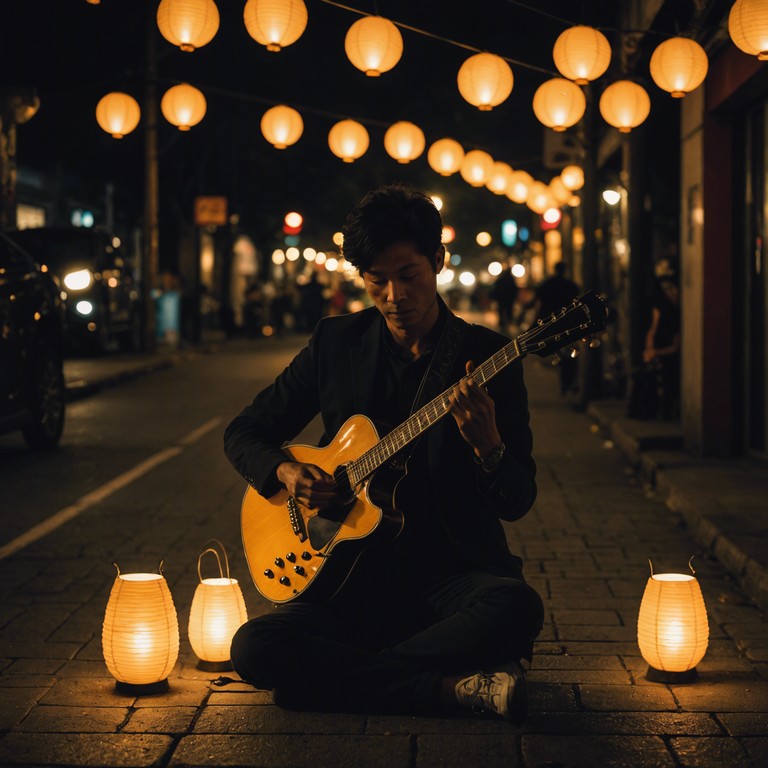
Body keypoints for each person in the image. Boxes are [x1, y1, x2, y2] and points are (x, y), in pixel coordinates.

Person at [224, 184, 543, 724]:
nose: (394, 295)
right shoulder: (335, 343)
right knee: (254, 645)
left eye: (409, 275)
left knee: (517, 608)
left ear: (437, 262)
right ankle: (445, 689)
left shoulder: (487, 356)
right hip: (352, 580)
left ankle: (338, 680)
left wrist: (489, 448)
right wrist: (284, 469)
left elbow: (518, 498)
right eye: (377, 280)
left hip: (452, 579)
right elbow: (245, 430)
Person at [533, 262, 580, 395]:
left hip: (552, 322)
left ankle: (565, 383)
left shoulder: (548, 284)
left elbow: (540, 305)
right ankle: (568, 382)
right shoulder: (570, 286)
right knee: (569, 352)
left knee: (559, 352)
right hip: (569, 322)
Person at [642, 276, 680, 420]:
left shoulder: (681, 308)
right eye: (665, 289)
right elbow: (653, 327)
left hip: (670, 349)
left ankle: (666, 410)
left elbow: (676, 346)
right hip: (662, 344)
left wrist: (656, 352)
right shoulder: (661, 306)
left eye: (671, 287)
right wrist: (650, 349)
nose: (670, 292)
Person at [490, 262, 519, 335]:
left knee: (501, 310)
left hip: (501, 299)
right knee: (508, 310)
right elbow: (514, 289)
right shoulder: (511, 279)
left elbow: (496, 289)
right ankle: (508, 323)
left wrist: (495, 297)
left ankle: (501, 324)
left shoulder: (500, 279)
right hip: (509, 299)